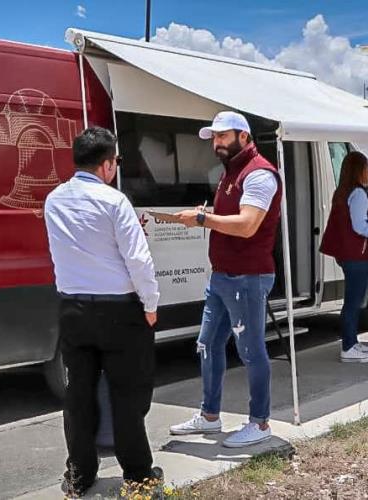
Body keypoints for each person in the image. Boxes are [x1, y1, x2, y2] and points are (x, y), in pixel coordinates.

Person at [43, 126, 162, 497]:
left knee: (78, 395)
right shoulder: (115, 202)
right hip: (119, 310)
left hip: (73, 308)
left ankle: (79, 474)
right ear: (107, 164)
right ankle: (138, 476)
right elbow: (138, 260)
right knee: (128, 394)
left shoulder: (54, 199)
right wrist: (151, 303)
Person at [169, 111, 281, 448]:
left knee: (251, 350)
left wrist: (203, 218)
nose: (216, 143)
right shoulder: (231, 172)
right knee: (207, 344)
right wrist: (209, 215)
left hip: (247, 276)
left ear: (244, 137)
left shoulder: (259, 174)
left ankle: (260, 423)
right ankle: (209, 416)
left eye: (223, 136)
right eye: (214, 137)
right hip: (223, 276)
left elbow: (248, 225)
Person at [320, 151, 368, 363]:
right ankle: (348, 346)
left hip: (349, 253)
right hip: (357, 254)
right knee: (353, 301)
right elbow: (360, 225)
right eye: (367, 167)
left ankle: (352, 341)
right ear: (358, 170)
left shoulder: (343, 191)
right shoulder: (359, 194)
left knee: (352, 300)